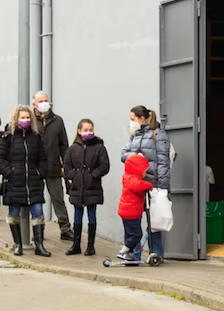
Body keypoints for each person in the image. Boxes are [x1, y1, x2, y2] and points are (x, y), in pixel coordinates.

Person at [0, 105, 50, 257]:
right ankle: (18, 244)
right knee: (13, 214)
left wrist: (40, 173)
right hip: (14, 182)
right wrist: (10, 172)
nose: (25, 120)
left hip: (33, 182)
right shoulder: (8, 137)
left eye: (27, 117)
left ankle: (39, 246)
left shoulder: (36, 137)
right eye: (22, 117)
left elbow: (43, 158)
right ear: (16, 119)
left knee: (38, 213)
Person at [120, 105, 171, 260]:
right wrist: (137, 155)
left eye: (132, 119)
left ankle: (157, 254)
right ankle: (133, 255)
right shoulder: (135, 136)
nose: (131, 122)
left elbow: (163, 162)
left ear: (141, 118)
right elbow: (123, 155)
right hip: (137, 185)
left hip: (152, 185)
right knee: (134, 220)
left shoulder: (158, 134)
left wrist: (162, 187)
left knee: (153, 222)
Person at [64, 119, 110, 256]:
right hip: (77, 188)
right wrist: (74, 176)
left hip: (92, 187)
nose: (88, 132)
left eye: (91, 129)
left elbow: (104, 166)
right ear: (79, 131)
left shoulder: (99, 147)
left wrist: (92, 175)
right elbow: (66, 166)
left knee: (92, 215)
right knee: (77, 215)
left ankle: (91, 246)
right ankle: (76, 244)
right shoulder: (73, 148)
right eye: (85, 130)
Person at [33, 91, 73, 241]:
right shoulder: (30, 120)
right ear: (34, 104)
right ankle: (39, 229)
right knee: (36, 198)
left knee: (58, 198)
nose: (44, 103)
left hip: (53, 166)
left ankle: (65, 228)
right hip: (35, 167)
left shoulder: (58, 120)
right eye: (41, 101)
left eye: (46, 100)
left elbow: (64, 144)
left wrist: (65, 164)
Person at [117, 155, 153, 261]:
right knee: (137, 234)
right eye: (144, 170)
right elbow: (137, 186)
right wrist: (149, 185)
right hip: (130, 212)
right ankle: (123, 251)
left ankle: (130, 254)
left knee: (130, 234)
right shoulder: (131, 178)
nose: (145, 173)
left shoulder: (128, 176)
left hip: (128, 211)